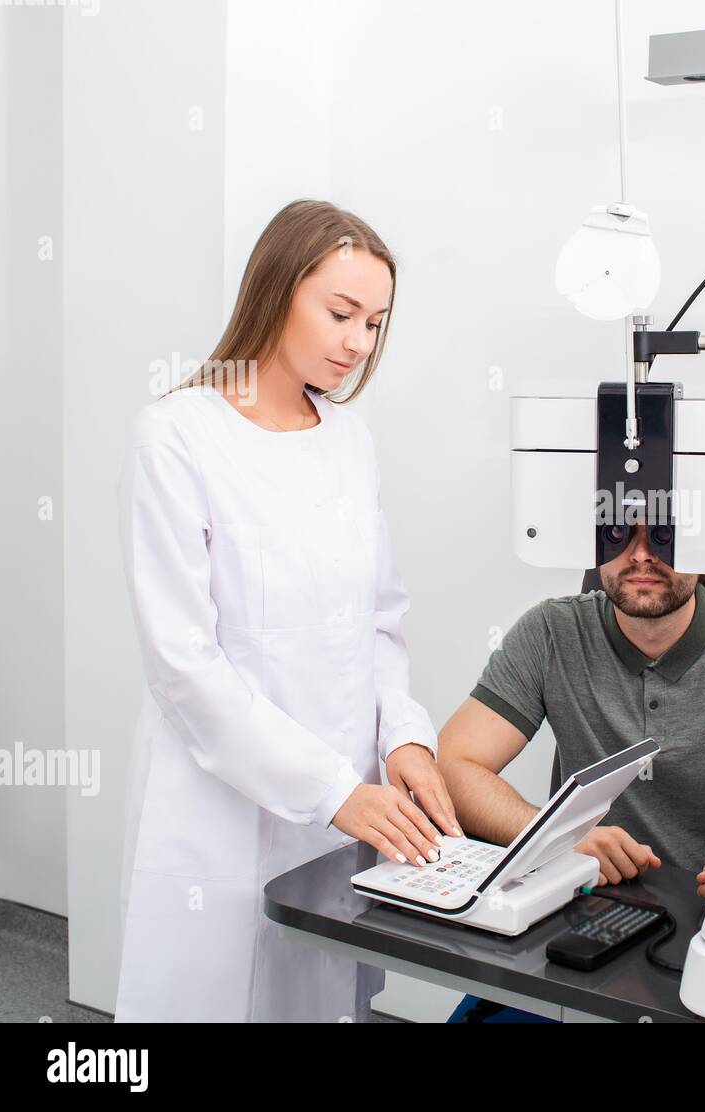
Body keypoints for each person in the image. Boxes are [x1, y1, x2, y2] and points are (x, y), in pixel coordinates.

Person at [115, 199, 459, 1022]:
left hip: (339, 807)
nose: (358, 344)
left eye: (375, 323)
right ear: (275, 292)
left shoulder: (347, 437)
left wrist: (403, 736)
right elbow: (184, 666)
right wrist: (331, 787)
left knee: (313, 999)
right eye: (340, 314)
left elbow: (379, 619)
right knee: (212, 998)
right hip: (220, 805)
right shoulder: (175, 436)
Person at [436, 521, 705, 1022]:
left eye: (665, 536)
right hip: (584, 919)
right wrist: (556, 836)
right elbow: (454, 766)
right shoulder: (551, 631)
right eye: (617, 533)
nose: (641, 555)